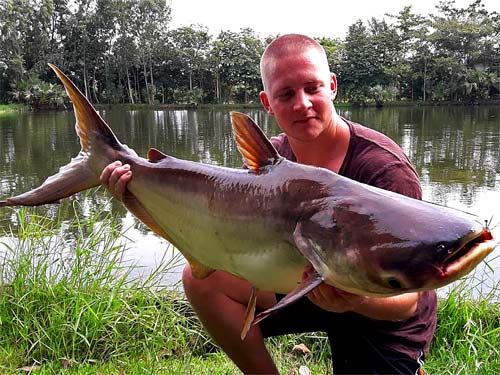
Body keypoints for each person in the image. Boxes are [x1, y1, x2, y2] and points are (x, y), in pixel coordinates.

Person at [100, 34, 436, 375]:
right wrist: (136, 195)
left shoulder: (383, 169)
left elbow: (406, 302)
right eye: (286, 94)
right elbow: (216, 241)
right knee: (203, 279)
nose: (302, 103)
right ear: (267, 103)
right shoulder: (271, 161)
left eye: (312, 88)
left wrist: (354, 298)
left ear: (332, 85)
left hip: (380, 313)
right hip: (305, 284)